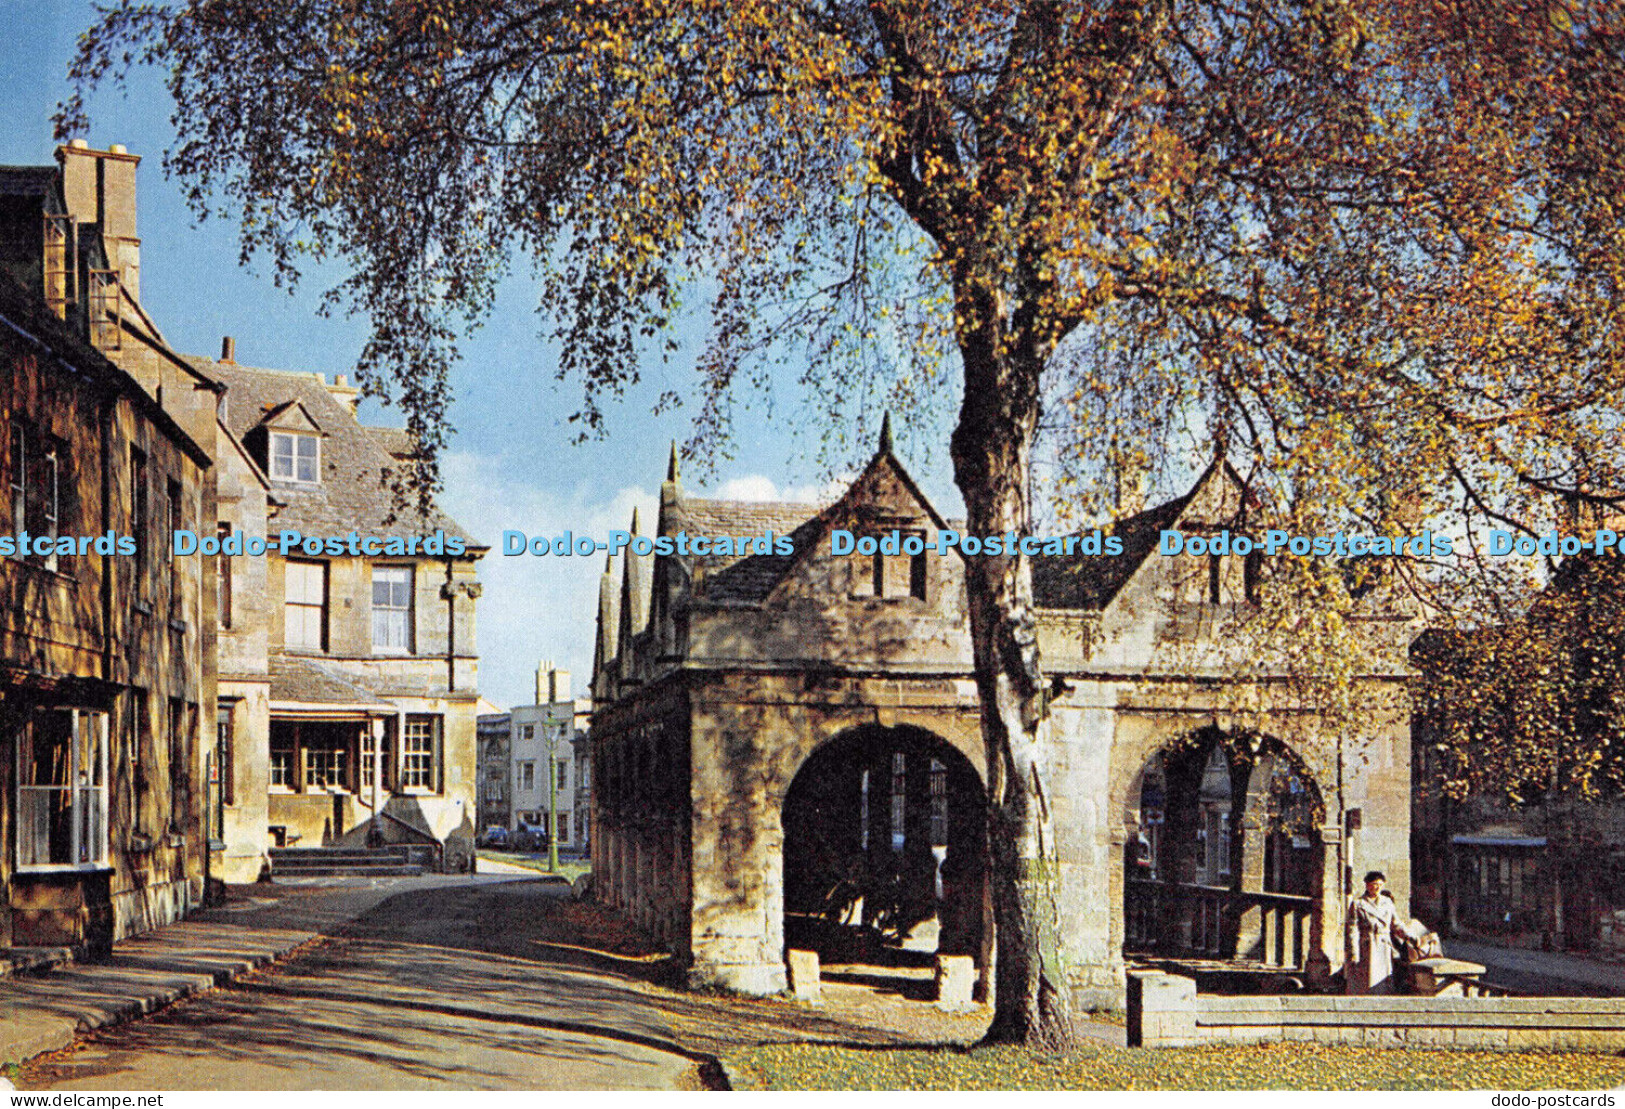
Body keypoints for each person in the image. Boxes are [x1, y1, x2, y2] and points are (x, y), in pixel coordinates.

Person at [1345, 870, 1409, 994]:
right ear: (1367, 885)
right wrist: (1354, 951)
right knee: (1367, 979)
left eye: (1380, 884)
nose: (1377, 887)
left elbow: (1396, 924)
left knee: (1384, 980)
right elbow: (1352, 929)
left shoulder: (1387, 902)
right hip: (1367, 945)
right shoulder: (1358, 904)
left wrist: (1409, 936)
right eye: (1374, 884)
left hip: (1383, 944)